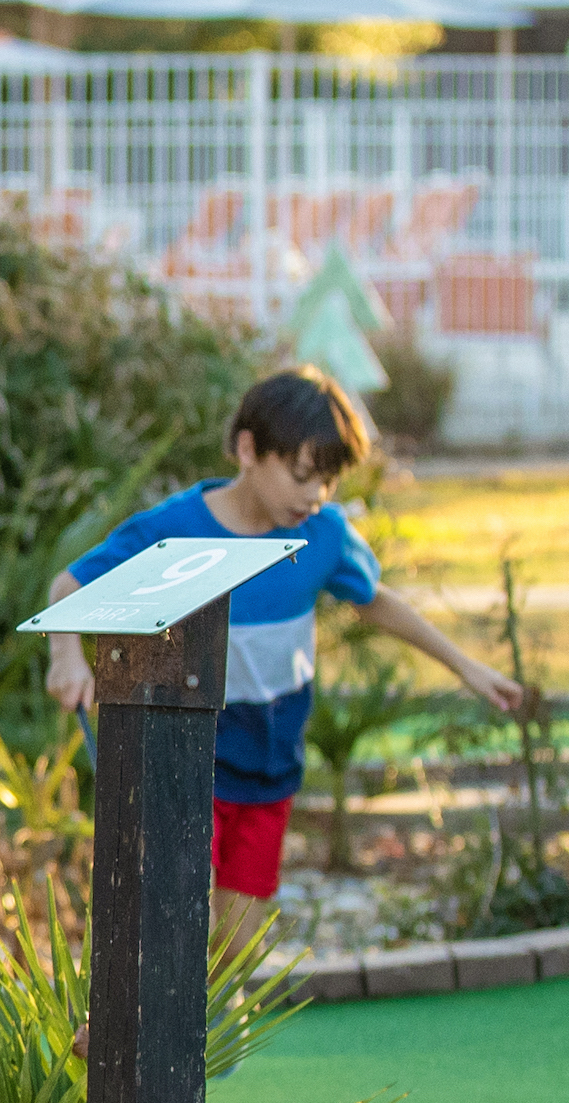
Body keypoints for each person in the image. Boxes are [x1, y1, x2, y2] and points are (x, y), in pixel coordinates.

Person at [39, 366, 522, 954]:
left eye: (328, 481)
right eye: (301, 476)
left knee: (238, 950)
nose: (315, 496)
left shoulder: (322, 535)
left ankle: (224, 1047)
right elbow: (70, 586)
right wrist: (68, 659)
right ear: (248, 449)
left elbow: (376, 602)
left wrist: (467, 667)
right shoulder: (176, 530)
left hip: (270, 764)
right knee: (182, 935)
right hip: (191, 764)